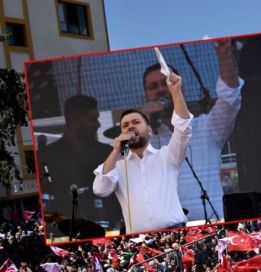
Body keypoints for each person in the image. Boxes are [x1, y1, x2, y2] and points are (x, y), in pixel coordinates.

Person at [141, 39, 242, 223]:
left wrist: (224, 55)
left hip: (211, 223)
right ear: (146, 96)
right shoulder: (143, 140)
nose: (161, 90)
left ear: (180, 88)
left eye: (166, 83)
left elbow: (231, 98)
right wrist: (141, 122)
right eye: (152, 87)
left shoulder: (207, 127)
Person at [92, 72, 191, 233]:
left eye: (136, 122)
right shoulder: (117, 164)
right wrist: (117, 150)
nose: (130, 126)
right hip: (139, 242)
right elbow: (100, 189)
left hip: (175, 233)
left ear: (149, 130)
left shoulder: (166, 156)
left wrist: (176, 93)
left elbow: (183, 129)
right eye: (125, 125)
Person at [38, 95, 120, 231]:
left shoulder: (107, 153)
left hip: (106, 227)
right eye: (92, 119)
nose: (98, 124)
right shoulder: (47, 156)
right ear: (74, 121)